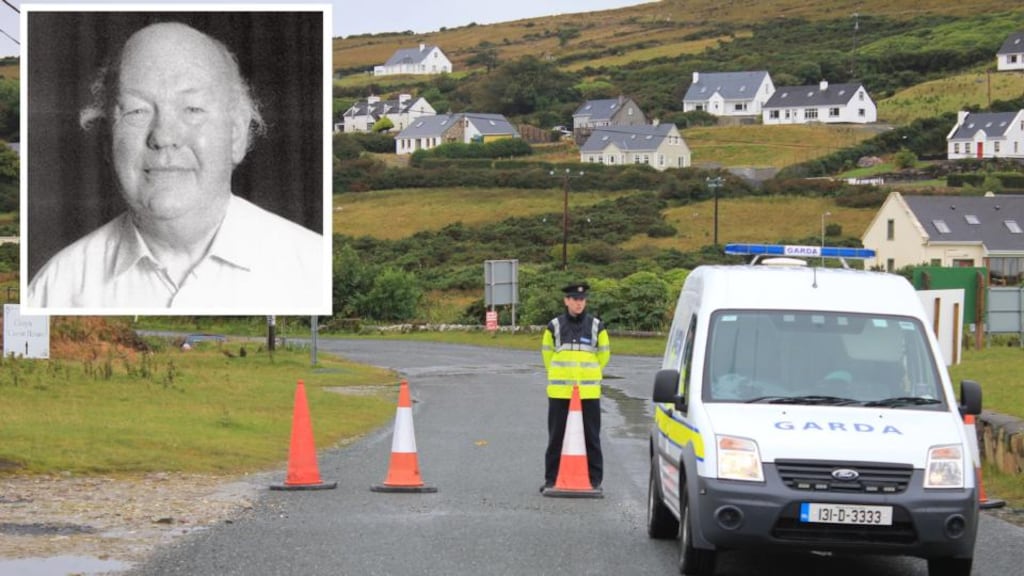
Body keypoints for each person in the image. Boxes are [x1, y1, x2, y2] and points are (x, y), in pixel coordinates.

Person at [25, 21, 324, 311]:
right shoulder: (56, 288)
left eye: (192, 109)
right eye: (136, 111)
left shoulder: (315, 269)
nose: (163, 137)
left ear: (237, 134)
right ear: (107, 137)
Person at [540, 281, 611, 492]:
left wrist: (589, 376)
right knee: (556, 437)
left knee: (592, 437)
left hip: (588, 392)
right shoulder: (554, 326)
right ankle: (551, 480)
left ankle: (594, 480)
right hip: (560, 392)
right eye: (575, 299)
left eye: (582, 299)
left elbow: (604, 355)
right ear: (566, 301)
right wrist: (561, 376)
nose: (579, 303)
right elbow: (547, 355)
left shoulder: (597, 326)